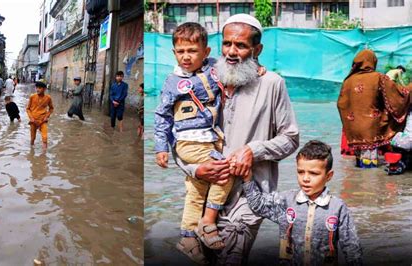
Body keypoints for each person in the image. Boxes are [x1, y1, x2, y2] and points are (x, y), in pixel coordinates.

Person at [174, 14, 299, 264]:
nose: (231, 52)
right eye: (227, 44)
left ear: (257, 49)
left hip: (246, 199)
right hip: (202, 194)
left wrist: (254, 150)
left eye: (241, 45)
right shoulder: (204, 81)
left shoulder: (271, 84)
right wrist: (196, 168)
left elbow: (291, 138)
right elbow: (180, 137)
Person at [155, 22, 232, 255]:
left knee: (197, 190)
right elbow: (162, 115)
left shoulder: (214, 68)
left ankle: (188, 238)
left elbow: (236, 67)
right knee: (224, 173)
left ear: (206, 52)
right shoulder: (172, 82)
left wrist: (257, 68)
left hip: (211, 138)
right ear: (174, 53)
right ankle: (208, 224)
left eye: (192, 51)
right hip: (189, 142)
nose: (186, 57)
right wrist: (161, 147)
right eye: (181, 52)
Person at [242, 140, 363, 265]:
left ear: (329, 176)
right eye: (300, 172)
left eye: (313, 173)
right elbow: (258, 205)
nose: (305, 178)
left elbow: (352, 249)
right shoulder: (287, 201)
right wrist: (247, 178)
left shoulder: (337, 208)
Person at [338, 50, 412, 168]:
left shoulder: (347, 81)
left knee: (358, 165)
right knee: (370, 169)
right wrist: (410, 88)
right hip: (370, 130)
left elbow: (341, 104)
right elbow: (397, 95)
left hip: (353, 130)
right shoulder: (378, 78)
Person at [26, 81, 54, 149]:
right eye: (37, 88)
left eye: (40, 88)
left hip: (42, 120)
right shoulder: (32, 97)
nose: (37, 89)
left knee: (45, 138)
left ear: (44, 89)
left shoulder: (48, 98)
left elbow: (51, 108)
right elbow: (28, 109)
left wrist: (47, 116)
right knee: (33, 138)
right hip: (33, 121)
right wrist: (31, 118)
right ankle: (31, 151)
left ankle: (44, 156)